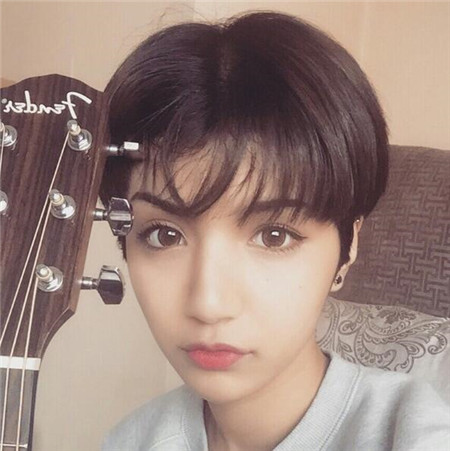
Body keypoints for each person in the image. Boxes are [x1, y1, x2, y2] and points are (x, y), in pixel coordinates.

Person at [100, 11, 449, 451]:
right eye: (164, 235)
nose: (209, 305)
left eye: (274, 235)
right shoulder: (130, 440)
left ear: (348, 248)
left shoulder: (411, 432)